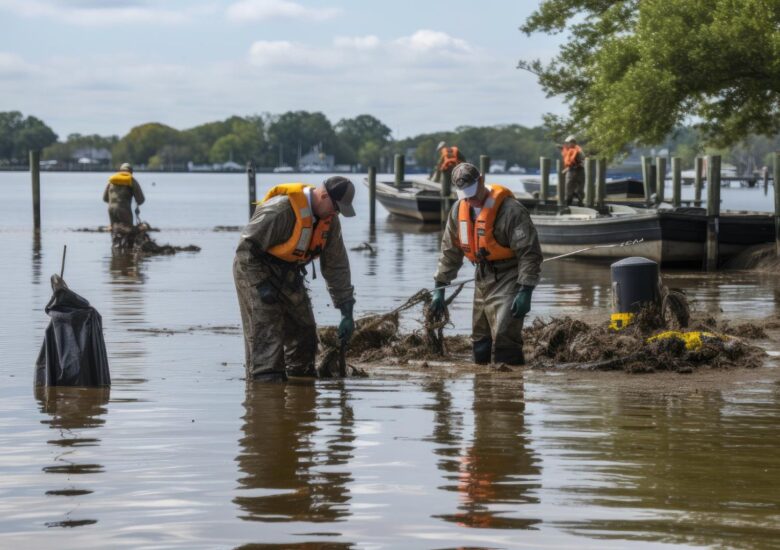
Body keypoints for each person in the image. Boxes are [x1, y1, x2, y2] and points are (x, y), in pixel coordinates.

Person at [233, 176, 356, 382]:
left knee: (304, 330)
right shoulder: (281, 210)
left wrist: (346, 309)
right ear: (324, 195)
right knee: (267, 330)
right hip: (254, 268)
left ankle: (301, 383)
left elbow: (336, 265)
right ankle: (265, 386)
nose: (336, 213)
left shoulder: (330, 223)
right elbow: (245, 250)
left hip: (288, 271)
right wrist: (261, 286)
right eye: (335, 207)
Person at [430, 163, 542, 365]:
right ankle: (482, 390)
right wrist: (440, 287)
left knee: (504, 335)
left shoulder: (511, 211)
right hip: (482, 276)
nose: (470, 200)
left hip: (510, 275)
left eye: (472, 194)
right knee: (480, 337)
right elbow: (449, 252)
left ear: (481, 181)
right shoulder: (458, 210)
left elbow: (529, 253)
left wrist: (526, 290)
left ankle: (510, 388)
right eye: (465, 196)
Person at [103, 162, 145, 248]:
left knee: (115, 232)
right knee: (128, 232)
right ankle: (126, 254)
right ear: (131, 172)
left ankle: (115, 254)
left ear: (120, 171)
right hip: (124, 210)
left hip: (111, 210)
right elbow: (141, 200)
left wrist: (114, 201)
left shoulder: (112, 180)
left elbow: (105, 198)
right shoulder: (130, 179)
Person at [561, 135, 585, 206]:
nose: (568, 144)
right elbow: (568, 161)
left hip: (579, 171)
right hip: (570, 171)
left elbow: (582, 158)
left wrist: (579, 158)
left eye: (570, 142)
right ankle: (568, 204)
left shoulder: (579, 150)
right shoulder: (567, 150)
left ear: (574, 143)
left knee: (580, 189)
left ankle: (580, 203)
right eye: (568, 143)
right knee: (568, 188)